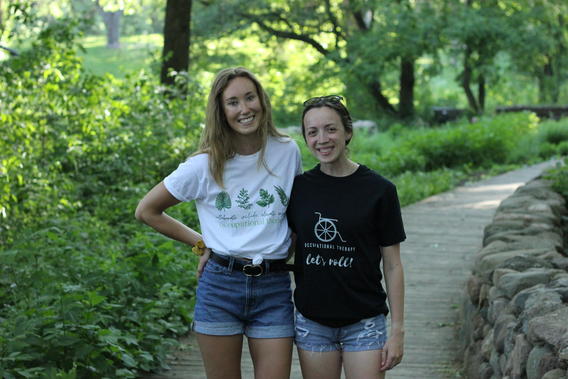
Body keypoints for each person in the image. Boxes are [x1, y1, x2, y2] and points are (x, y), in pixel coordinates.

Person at [135, 67, 301, 379]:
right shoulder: (203, 165)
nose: (244, 109)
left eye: (250, 98)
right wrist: (201, 243)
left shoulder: (287, 151)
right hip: (221, 286)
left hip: (273, 287)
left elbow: (296, 212)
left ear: (262, 101)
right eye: (233, 102)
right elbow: (147, 210)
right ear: (221, 111)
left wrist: (287, 244)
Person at [286, 95, 406, 379]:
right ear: (305, 138)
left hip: (364, 321)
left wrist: (398, 330)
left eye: (331, 129)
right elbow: (279, 244)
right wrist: (213, 249)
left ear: (347, 132)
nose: (322, 139)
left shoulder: (380, 191)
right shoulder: (298, 189)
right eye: (312, 132)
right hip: (312, 321)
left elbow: (393, 265)